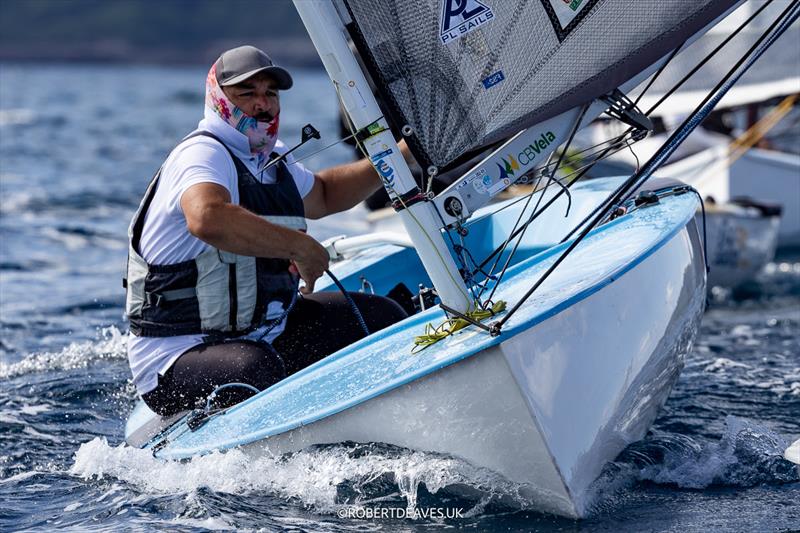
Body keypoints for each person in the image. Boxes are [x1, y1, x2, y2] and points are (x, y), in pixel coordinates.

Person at [125, 45, 408, 416]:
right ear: (217, 98)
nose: (263, 104)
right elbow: (206, 217)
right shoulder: (203, 154)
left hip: (263, 334)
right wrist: (299, 247)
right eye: (247, 94)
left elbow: (323, 194)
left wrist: (401, 155)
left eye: (270, 94)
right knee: (255, 369)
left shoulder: (271, 156)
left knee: (382, 317)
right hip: (176, 355)